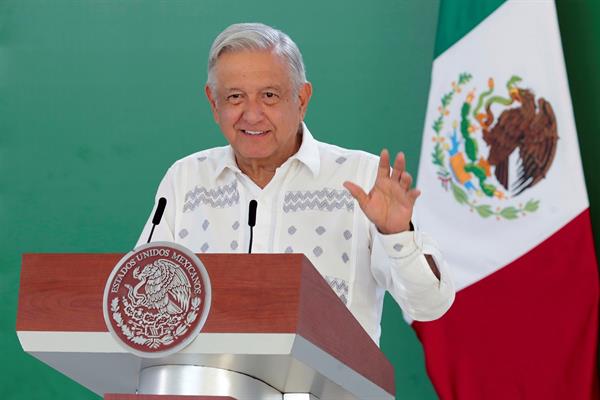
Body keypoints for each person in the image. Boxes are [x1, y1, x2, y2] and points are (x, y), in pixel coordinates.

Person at [138, 22, 454, 345]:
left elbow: (430, 305)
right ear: (213, 102)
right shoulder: (186, 178)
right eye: (235, 97)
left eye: (269, 96)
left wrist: (397, 236)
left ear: (302, 99)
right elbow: (137, 304)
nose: (251, 114)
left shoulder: (362, 178)